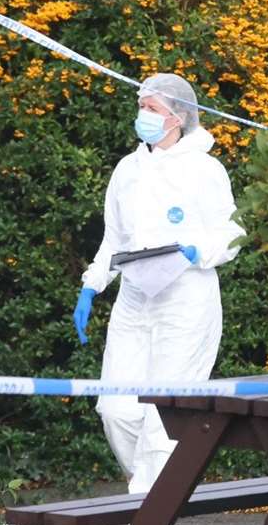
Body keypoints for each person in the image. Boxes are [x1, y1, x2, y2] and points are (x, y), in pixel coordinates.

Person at [73, 74, 244, 494]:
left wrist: (196, 250)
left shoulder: (205, 169)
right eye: (142, 107)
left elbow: (231, 233)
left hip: (186, 301)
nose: (143, 115)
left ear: (179, 116)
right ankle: (149, 495)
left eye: (153, 109)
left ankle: (151, 515)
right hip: (134, 299)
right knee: (115, 409)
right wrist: (93, 285)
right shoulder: (128, 169)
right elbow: (114, 238)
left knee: (163, 417)